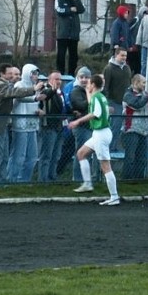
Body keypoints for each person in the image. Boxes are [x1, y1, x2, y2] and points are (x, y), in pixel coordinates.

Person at [0, 63, 41, 184]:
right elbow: (13, 93)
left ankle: (0, 181)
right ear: (2, 74)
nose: (13, 76)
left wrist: (35, 98)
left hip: (2, 125)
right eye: (10, 73)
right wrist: (34, 89)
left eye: (13, 73)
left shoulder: (4, 84)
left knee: (4, 156)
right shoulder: (0, 85)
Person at [68, 73, 121, 206]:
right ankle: (87, 183)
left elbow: (95, 113)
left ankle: (114, 196)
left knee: (105, 165)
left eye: (89, 83)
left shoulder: (97, 97)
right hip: (100, 133)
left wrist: (78, 121)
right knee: (81, 154)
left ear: (93, 85)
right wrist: (88, 91)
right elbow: (93, 103)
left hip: (101, 134)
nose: (87, 85)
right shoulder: (100, 96)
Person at [8, 64, 45, 183]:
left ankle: (24, 180)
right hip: (20, 124)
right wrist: (35, 98)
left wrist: (39, 110)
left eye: (37, 74)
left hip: (32, 124)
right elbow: (20, 97)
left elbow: (36, 102)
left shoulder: (35, 87)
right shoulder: (19, 85)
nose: (36, 76)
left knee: (32, 156)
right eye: (33, 73)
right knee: (18, 155)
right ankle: (11, 179)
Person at [121, 74, 148, 179]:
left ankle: (138, 178)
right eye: (143, 82)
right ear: (136, 83)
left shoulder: (144, 94)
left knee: (142, 157)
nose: (145, 85)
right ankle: (126, 178)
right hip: (131, 129)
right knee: (130, 157)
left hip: (144, 130)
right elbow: (137, 105)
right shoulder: (128, 95)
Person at [38, 70, 66, 182]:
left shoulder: (60, 92)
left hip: (59, 125)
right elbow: (44, 98)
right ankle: (43, 179)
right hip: (48, 126)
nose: (59, 81)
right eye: (56, 79)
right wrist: (52, 90)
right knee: (46, 155)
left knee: (56, 154)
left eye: (60, 79)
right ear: (50, 80)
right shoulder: (46, 90)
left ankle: (52, 176)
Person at [67, 67, 93, 183]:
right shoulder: (76, 91)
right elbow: (81, 105)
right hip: (81, 127)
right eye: (81, 77)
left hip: (91, 126)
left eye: (86, 77)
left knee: (88, 154)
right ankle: (77, 178)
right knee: (81, 153)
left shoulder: (91, 90)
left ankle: (87, 177)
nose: (84, 80)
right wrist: (89, 96)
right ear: (77, 78)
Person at [103, 47, 132, 151]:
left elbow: (129, 84)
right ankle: (110, 148)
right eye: (122, 55)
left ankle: (115, 147)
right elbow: (105, 87)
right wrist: (107, 103)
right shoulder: (109, 68)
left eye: (125, 56)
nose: (124, 58)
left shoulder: (127, 68)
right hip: (114, 102)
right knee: (115, 126)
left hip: (126, 102)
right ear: (116, 55)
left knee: (123, 127)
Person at [55, 0, 86, 75]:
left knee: (73, 56)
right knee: (61, 55)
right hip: (63, 33)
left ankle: (72, 75)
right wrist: (70, 9)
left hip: (74, 33)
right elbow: (59, 10)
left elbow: (81, 10)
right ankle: (60, 74)